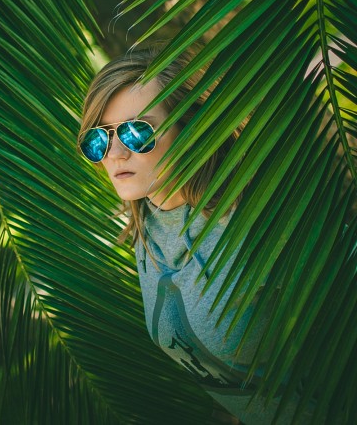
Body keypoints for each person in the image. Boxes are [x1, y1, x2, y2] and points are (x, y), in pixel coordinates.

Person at [77, 46, 317, 425]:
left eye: (137, 132)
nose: (115, 153)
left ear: (189, 127)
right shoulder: (145, 225)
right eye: (99, 139)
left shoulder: (256, 214)